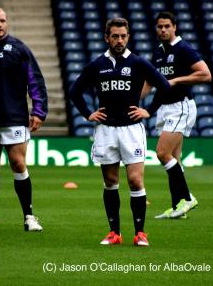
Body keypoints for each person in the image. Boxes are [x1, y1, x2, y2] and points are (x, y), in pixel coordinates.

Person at [69, 18, 171, 246]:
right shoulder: (97, 65)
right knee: (111, 181)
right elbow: (75, 92)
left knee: (135, 181)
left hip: (131, 130)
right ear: (107, 38)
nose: (119, 40)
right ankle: (114, 232)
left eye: (123, 36)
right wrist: (88, 114)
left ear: (128, 37)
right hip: (105, 130)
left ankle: (140, 233)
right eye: (114, 36)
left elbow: (164, 85)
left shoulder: (138, 62)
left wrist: (149, 111)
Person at [0, 7, 48, 231]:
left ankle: (29, 217)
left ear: (7, 23)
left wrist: (39, 111)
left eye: (2, 21)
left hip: (13, 117)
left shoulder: (18, 49)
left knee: (18, 163)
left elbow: (35, 81)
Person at [141, 11, 212, 219]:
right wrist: (135, 100)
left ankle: (188, 198)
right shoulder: (158, 52)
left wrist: (175, 80)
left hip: (181, 106)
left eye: (167, 26)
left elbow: (206, 74)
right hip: (165, 106)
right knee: (175, 160)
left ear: (175, 27)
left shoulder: (184, 49)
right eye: (160, 26)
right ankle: (177, 207)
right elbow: (150, 82)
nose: (163, 29)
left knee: (162, 153)